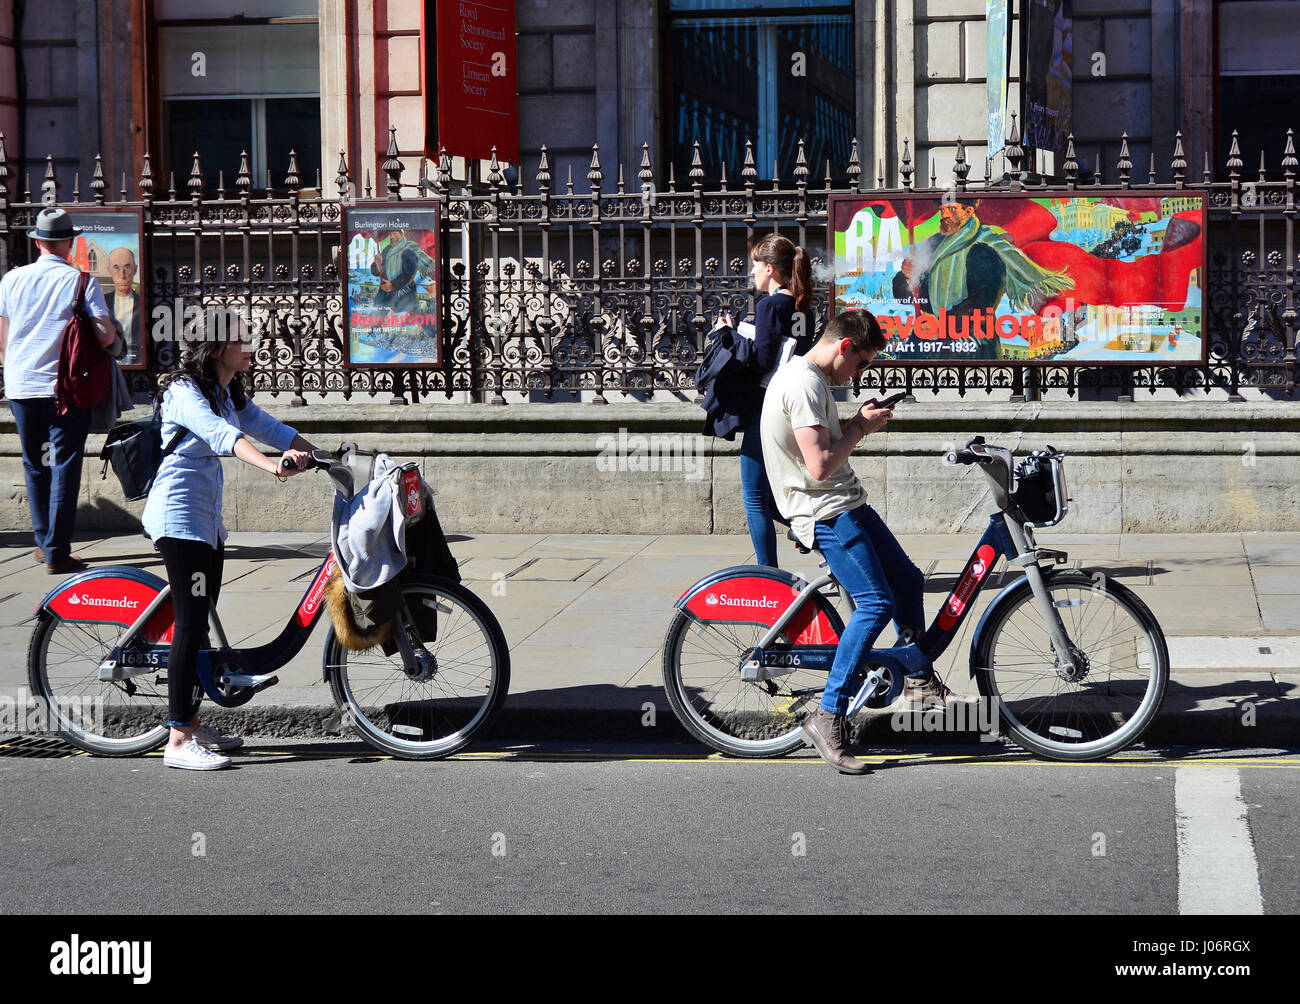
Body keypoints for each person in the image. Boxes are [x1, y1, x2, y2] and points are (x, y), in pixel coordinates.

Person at [760, 308, 975, 775]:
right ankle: (828, 714)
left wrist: (857, 420)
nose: (859, 373)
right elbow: (818, 468)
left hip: (846, 502)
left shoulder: (815, 379)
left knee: (906, 580)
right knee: (875, 604)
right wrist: (860, 427)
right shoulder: (803, 385)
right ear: (844, 346)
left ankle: (918, 679)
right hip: (824, 511)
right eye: (860, 363)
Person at [142, 307, 320, 770]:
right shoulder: (183, 392)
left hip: (206, 520)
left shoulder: (226, 390)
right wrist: (272, 467)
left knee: (199, 621)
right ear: (217, 347)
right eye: (243, 337)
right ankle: (178, 741)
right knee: (189, 622)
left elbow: (271, 428)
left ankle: (194, 723)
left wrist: (329, 457)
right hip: (178, 518)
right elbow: (224, 436)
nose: (252, 342)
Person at [0, 207, 117, 573]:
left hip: (21, 384)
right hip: (64, 387)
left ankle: (42, 543)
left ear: (37, 242)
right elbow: (105, 335)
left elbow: (2, 338)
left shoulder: (11, 280)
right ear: (70, 243)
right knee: (65, 464)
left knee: (35, 464)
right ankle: (57, 551)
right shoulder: (80, 282)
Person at [708, 234, 815, 566]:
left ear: (770, 269)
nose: (751, 272)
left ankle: (769, 576)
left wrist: (726, 334)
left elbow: (764, 360)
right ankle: (815, 536)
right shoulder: (803, 306)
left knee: (754, 497)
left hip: (768, 407)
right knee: (771, 499)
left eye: (755, 265)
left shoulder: (769, 305)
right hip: (793, 405)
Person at [104, 247, 140, 362]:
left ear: (135, 270)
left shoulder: (142, 303)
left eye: (127, 267)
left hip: (137, 363)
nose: (122, 275)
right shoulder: (102, 303)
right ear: (109, 270)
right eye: (116, 268)